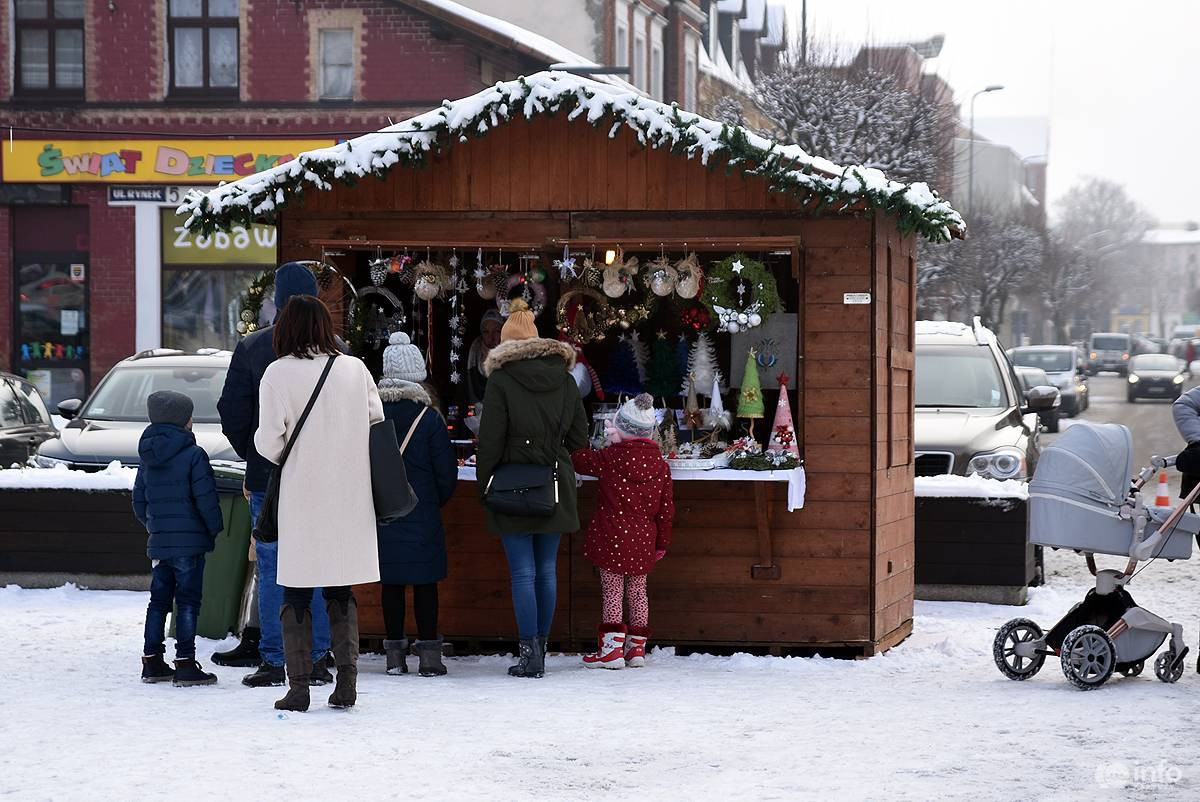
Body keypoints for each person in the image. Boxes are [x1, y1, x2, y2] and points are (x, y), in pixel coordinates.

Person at [255, 295, 383, 711]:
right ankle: (346, 684)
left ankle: (298, 689)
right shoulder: (355, 368)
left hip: (302, 496)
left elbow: (270, 444)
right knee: (340, 589)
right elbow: (375, 422)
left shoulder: (277, 373)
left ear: (285, 328)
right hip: (349, 496)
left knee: (296, 593)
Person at [216, 262, 335, 687]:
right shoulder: (337, 352)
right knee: (318, 565)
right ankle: (318, 657)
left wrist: (253, 455)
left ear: (277, 300)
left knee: (271, 566)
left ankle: (273, 657)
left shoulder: (253, 347)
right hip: (321, 477)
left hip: (269, 476)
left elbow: (232, 412)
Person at [476, 298, 588, 678]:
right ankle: (541, 648)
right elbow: (579, 438)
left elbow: (490, 440)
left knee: (523, 573)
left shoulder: (501, 380)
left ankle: (529, 655)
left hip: (511, 485)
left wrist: (485, 485)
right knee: (546, 571)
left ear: (507, 343)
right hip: (554, 483)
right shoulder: (565, 379)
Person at [374, 332, 457, 677]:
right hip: (421, 513)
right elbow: (446, 474)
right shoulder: (430, 419)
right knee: (425, 584)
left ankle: (394, 657)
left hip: (383, 513)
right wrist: (432, 503)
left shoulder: (372, 416)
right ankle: (429, 657)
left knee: (391, 584)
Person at [570, 393, 674, 669]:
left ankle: (611, 651)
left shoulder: (609, 458)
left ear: (621, 428)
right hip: (644, 540)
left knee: (613, 593)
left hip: (611, 537)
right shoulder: (661, 466)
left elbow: (580, 461)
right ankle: (636, 650)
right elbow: (666, 509)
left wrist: (577, 440)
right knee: (638, 592)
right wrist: (661, 543)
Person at [133, 390, 224, 687]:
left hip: (160, 543)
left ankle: (152, 661)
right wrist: (213, 528)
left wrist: (155, 526)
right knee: (187, 602)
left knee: (158, 602)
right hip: (190, 544)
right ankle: (185, 662)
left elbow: (139, 501)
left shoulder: (147, 457)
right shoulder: (194, 455)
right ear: (185, 421)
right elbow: (206, 499)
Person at [466, 309, 504, 403]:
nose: (491, 337)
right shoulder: (475, 352)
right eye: (486, 332)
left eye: (496, 331)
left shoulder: (510, 354)